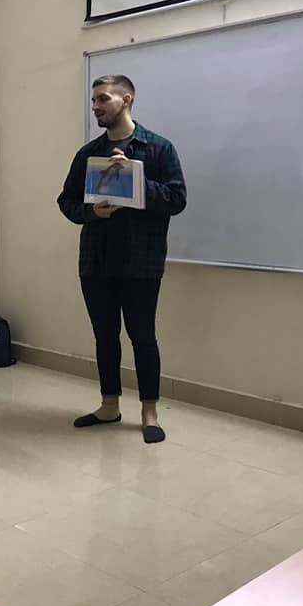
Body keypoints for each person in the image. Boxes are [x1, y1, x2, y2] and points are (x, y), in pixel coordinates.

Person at [57, 74, 187, 443]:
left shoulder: (158, 149)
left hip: (141, 261)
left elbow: (177, 199)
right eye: (93, 100)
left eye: (103, 99)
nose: (95, 106)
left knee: (143, 337)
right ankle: (109, 405)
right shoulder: (88, 154)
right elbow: (66, 201)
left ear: (126, 99)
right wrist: (92, 212)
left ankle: (149, 412)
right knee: (104, 336)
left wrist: (134, 178)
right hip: (96, 261)